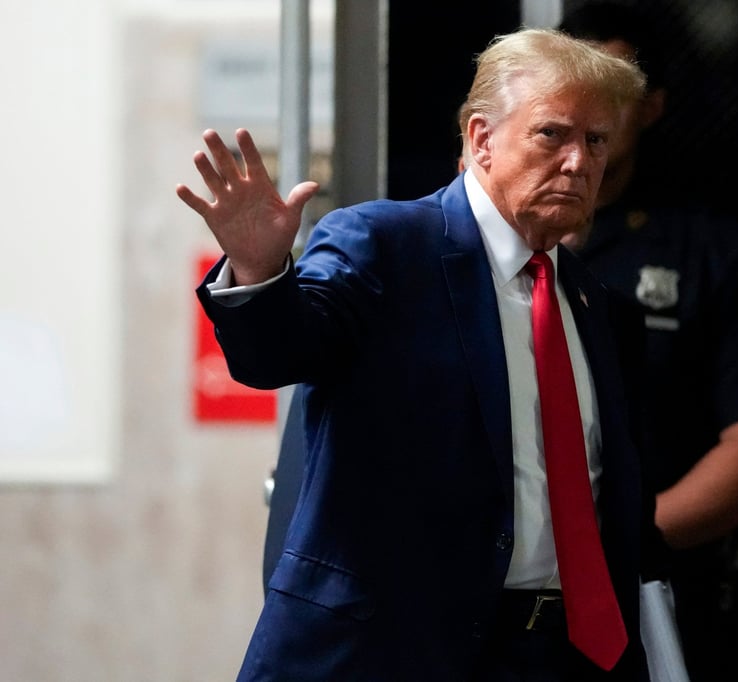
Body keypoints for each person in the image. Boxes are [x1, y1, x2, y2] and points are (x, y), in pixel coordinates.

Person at [177, 27, 658, 681]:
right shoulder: (384, 242)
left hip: (558, 655)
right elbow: (276, 355)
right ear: (482, 138)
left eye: (595, 141)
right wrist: (259, 269)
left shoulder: (592, 302)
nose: (579, 162)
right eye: (554, 134)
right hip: (390, 654)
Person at [557, 4, 738, 681]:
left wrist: (607, 551)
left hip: (652, 603)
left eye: (612, 90)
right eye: (566, 89)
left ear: (653, 107)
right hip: (481, 602)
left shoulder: (709, 253)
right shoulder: (467, 245)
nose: (586, 116)